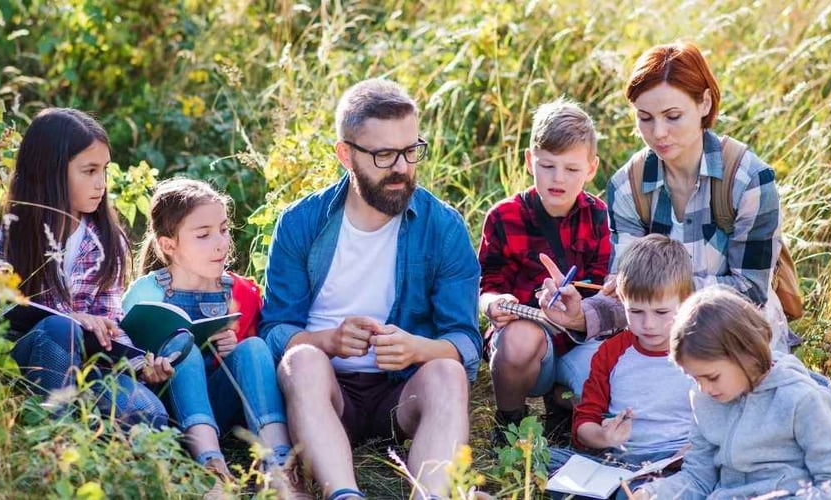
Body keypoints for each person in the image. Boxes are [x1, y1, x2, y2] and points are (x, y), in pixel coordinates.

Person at [260, 78, 482, 500]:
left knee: (448, 372)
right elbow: (275, 331)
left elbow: (465, 341)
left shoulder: (443, 226)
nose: (401, 167)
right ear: (346, 154)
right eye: (383, 155)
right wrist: (328, 340)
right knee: (301, 359)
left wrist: (418, 348)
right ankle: (344, 493)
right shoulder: (301, 222)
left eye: (411, 151)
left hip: (402, 394)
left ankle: (430, 495)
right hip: (327, 397)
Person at [541, 41, 792, 353]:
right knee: (580, 369)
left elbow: (751, 292)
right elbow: (628, 295)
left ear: (704, 103)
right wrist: (581, 314)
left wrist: (661, 291)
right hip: (654, 338)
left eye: (672, 116)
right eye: (645, 117)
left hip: (735, 336)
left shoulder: (748, 180)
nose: (658, 132)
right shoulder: (627, 185)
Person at [0, 107, 170, 428]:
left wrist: (139, 363)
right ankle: (56, 437)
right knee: (60, 329)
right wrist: (70, 319)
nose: (102, 184)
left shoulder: (109, 242)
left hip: (91, 366)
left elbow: (109, 323)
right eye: (89, 171)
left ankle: (89, 432)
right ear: (51, 172)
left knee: (150, 416)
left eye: (105, 170)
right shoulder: (7, 237)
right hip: (27, 361)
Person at [122, 178, 297, 493]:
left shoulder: (237, 291)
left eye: (224, 230)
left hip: (219, 404)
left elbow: (255, 369)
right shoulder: (147, 291)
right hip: (168, 409)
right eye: (203, 235)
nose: (220, 243)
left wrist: (234, 348)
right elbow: (125, 358)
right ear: (168, 245)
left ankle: (278, 462)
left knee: (254, 347)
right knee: (184, 349)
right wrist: (148, 368)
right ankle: (211, 465)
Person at [632, 286, 831, 499]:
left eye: (711, 377)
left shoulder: (802, 400)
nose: (703, 388)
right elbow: (698, 478)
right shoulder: (704, 399)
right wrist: (654, 494)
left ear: (746, 354)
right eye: (694, 378)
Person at [477, 98, 610, 436]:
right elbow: (486, 284)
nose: (558, 179)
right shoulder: (503, 217)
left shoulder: (597, 216)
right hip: (521, 337)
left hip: (576, 339)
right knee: (521, 339)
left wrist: (575, 306)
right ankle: (511, 426)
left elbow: (600, 286)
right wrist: (494, 302)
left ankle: (561, 406)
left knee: (612, 387)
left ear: (591, 169)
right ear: (529, 160)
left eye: (571, 169)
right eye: (547, 165)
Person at [546, 234, 695, 498]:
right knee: (544, 463)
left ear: (686, 301)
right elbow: (585, 421)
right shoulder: (612, 352)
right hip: (617, 460)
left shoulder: (698, 350)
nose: (648, 324)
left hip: (675, 462)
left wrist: (694, 450)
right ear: (621, 301)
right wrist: (604, 438)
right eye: (635, 312)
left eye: (661, 312)